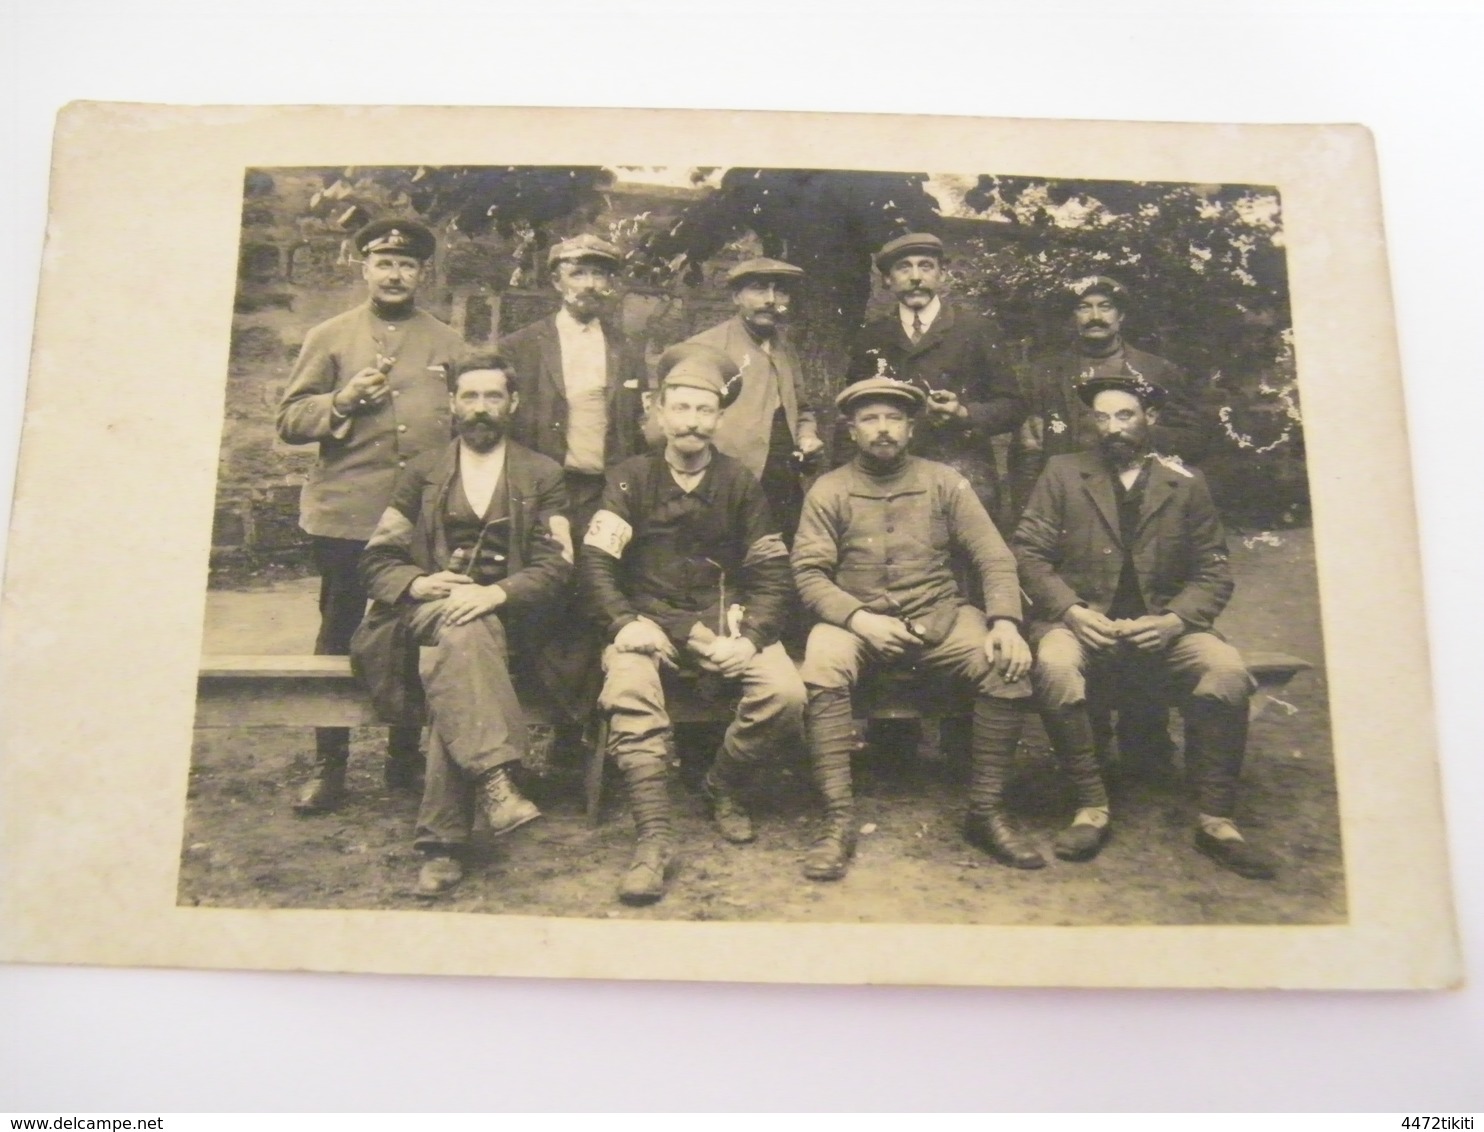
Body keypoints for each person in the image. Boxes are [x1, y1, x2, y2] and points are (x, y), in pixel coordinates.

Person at [1011, 374, 1278, 879]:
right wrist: (1070, 610)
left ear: (1150, 419)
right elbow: (1029, 554)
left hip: (1167, 627)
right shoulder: (1062, 473)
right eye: (1103, 417)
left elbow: (1214, 569)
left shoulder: (1186, 482)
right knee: (1056, 663)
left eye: (1125, 415)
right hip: (1086, 625)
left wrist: (1175, 621)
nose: (1113, 427)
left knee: (1225, 670)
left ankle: (1217, 820)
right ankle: (1090, 807)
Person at [581, 343, 805, 905]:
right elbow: (595, 567)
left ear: (720, 417)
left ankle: (720, 786)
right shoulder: (629, 479)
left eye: (704, 411)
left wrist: (750, 639)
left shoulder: (739, 484)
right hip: (647, 628)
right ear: (658, 411)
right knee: (629, 686)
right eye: (680, 409)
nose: (692, 423)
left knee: (785, 692)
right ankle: (653, 838)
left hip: (723, 627)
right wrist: (621, 623)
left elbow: (774, 573)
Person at [791, 375, 1034, 881]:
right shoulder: (829, 488)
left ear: (910, 427)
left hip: (941, 618)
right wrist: (859, 619)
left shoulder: (945, 481)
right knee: (822, 661)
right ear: (852, 430)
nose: (883, 429)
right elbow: (808, 573)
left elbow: (993, 556)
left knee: (1006, 667)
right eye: (870, 419)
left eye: (894, 418)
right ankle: (837, 820)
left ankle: (986, 812)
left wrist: (1006, 622)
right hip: (855, 621)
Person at [350, 355, 571, 897]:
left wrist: (496, 593)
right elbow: (378, 557)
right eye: (469, 397)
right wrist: (417, 583)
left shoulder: (543, 475)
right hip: (424, 615)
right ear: (453, 404)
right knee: (457, 631)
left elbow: (559, 563)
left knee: (463, 639)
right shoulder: (423, 472)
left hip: (509, 623)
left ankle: (444, 844)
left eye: (492, 397)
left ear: (513, 405)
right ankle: (496, 782)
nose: (480, 409)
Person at [276, 218, 465, 813]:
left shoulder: (448, 342)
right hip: (346, 514)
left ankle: (401, 758)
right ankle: (329, 764)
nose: (395, 274)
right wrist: (341, 401)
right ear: (364, 268)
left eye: (407, 265)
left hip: (415, 519)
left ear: (422, 274)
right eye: (384, 262)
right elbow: (289, 420)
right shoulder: (330, 336)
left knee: (411, 630)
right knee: (339, 632)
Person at [1012, 274, 1208, 775]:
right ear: (1072, 316)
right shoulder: (1047, 371)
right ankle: (1090, 747)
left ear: (1122, 316)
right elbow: (1030, 441)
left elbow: (1195, 435)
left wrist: (1143, 446)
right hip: (1071, 506)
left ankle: (1147, 738)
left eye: (1105, 306)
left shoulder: (1157, 370)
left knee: (1141, 605)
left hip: (1142, 501)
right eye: (1084, 306)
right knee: (1085, 616)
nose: (1095, 316)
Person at [843, 232, 1025, 529]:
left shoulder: (976, 330)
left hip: (964, 471)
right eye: (904, 267)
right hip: (889, 473)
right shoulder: (871, 337)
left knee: (968, 560)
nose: (916, 277)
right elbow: (851, 412)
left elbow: (1013, 406)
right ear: (887, 279)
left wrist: (964, 413)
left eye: (925, 266)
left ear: (941, 274)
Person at [500, 234, 650, 545]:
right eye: (578, 273)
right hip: (541, 490)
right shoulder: (520, 346)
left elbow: (639, 425)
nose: (589, 284)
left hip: (605, 491)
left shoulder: (626, 348)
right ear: (557, 282)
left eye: (599, 274)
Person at [684, 257, 824, 542]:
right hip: (724, 490)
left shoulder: (784, 348)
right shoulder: (706, 347)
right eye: (759, 289)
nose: (771, 300)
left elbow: (803, 408)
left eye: (780, 291)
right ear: (736, 296)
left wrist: (807, 437)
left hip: (783, 485)